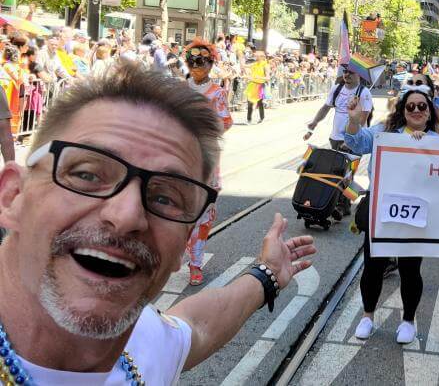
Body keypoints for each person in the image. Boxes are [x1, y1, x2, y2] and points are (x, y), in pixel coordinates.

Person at [0, 62, 316, 384]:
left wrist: (268, 274)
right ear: (13, 196)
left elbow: (199, 327)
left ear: (185, 242)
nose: (126, 216)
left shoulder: (143, 344)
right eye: (87, 175)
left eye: (165, 198)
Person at [344, 87, 439, 344]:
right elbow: (356, 142)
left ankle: (408, 321)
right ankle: (367, 316)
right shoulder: (384, 133)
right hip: (381, 212)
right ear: (403, 111)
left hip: (416, 215)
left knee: (410, 270)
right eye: (411, 106)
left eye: (422, 106)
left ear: (430, 113)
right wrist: (354, 120)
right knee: (373, 268)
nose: (417, 110)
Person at [184, 38, 233, 285]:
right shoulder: (179, 89)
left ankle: (195, 263)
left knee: (204, 212)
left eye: (201, 61)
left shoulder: (217, 93)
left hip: (206, 158)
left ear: (211, 63)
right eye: (191, 60)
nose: (196, 65)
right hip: (179, 157)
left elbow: (226, 121)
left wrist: (205, 131)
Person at [304, 65, 373, 220]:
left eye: (350, 72)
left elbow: (363, 118)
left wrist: (351, 140)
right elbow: (326, 107)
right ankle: (340, 204)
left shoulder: (364, 92)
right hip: (335, 138)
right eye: (345, 72)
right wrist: (315, 122)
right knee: (335, 173)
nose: (346, 74)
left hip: (355, 140)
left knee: (348, 174)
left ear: (359, 75)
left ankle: (342, 206)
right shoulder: (337, 88)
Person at [245, 51, 270, 124]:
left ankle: (261, 118)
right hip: (252, 84)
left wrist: (259, 77)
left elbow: (268, 78)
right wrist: (240, 56)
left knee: (259, 103)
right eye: (256, 56)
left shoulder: (265, 65)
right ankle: (249, 119)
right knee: (250, 102)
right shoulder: (254, 64)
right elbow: (244, 66)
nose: (256, 57)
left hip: (260, 85)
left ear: (262, 57)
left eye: (258, 56)